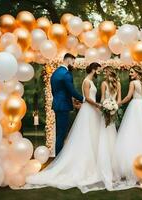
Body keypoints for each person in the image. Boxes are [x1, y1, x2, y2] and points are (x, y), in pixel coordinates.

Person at [25, 62, 103, 193]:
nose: (99, 72)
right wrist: (95, 104)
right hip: (88, 109)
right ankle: (70, 161)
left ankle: (93, 161)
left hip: (91, 110)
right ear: (94, 70)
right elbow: (84, 96)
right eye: (98, 70)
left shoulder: (84, 79)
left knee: (91, 135)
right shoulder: (82, 80)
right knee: (78, 135)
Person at [50, 53, 84, 156]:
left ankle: (58, 158)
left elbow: (55, 91)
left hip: (57, 105)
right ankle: (58, 159)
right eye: (73, 62)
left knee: (59, 133)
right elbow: (72, 91)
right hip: (63, 106)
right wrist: (84, 99)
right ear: (68, 60)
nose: (73, 65)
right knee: (62, 134)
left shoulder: (55, 73)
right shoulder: (66, 74)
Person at [97, 66, 121, 190]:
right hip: (108, 112)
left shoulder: (114, 84)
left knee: (109, 136)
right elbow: (106, 99)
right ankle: (106, 166)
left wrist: (112, 108)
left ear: (109, 72)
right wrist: (109, 108)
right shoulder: (106, 83)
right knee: (107, 136)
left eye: (105, 72)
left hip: (110, 112)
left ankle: (110, 166)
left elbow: (116, 100)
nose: (104, 74)